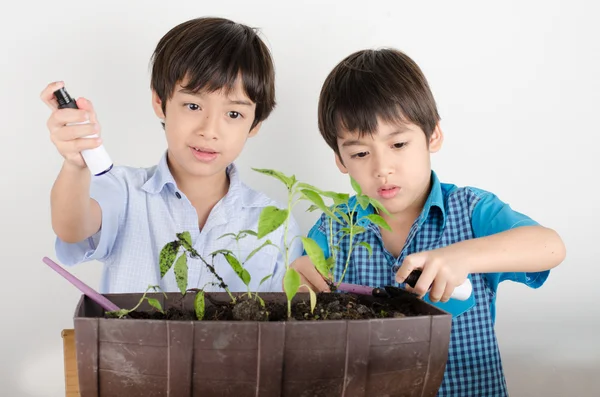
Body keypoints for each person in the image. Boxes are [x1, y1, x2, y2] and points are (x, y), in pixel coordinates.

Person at [291, 48, 566, 396]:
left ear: (432, 135)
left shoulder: (470, 210)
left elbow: (550, 246)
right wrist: (299, 283)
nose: (382, 168)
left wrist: (463, 256)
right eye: (360, 153)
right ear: (340, 160)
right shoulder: (334, 225)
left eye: (399, 144)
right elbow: (303, 287)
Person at [41, 17, 303, 294]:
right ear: (160, 102)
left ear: (255, 123)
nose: (209, 130)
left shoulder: (276, 224)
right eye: (193, 105)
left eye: (234, 114)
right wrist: (75, 166)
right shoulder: (124, 192)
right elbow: (72, 228)